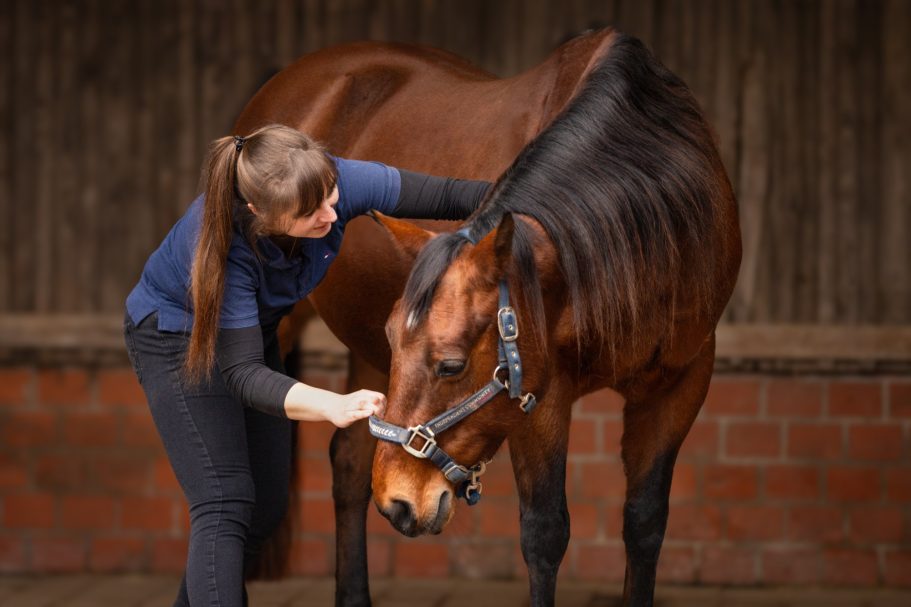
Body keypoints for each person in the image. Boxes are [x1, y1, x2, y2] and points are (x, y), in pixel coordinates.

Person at [122, 123, 490, 607]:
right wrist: (333, 405)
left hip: (246, 338)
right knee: (224, 501)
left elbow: (448, 194)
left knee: (265, 509)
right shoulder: (222, 248)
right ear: (260, 214)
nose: (331, 214)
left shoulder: (331, 183)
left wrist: (538, 197)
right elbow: (241, 374)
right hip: (176, 337)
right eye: (310, 212)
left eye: (331, 196)